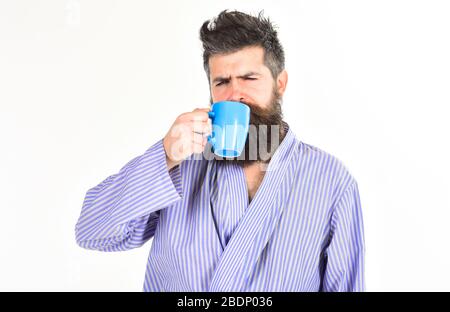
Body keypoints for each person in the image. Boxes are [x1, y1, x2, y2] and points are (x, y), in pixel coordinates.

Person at [75, 9, 365, 292]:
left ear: (280, 83)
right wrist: (165, 156)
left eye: (249, 78)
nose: (234, 94)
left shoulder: (332, 181)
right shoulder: (181, 164)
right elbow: (91, 232)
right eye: (222, 82)